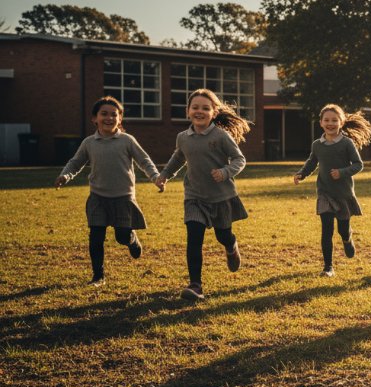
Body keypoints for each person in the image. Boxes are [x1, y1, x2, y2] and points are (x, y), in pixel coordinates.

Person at [156, 89, 251, 301]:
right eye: (195, 107)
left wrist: (225, 172)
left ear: (214, 112)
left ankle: (230, 245)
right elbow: (178, 159)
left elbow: (239, 159)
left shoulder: (220, 135)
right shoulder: (183, 137)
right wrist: (164, 175)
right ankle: (195, 286)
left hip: (221, 197)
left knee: (222, 235)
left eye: (205, 108)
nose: (199, 111)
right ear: (188, 111)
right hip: (194, 197)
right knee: (194, 237)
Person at [55, 96, 161, 285]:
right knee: (96, 237)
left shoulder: (127, 140)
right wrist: (65, 176)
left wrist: (155, 177)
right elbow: (76, 162)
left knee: (121, 236)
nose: (109, 118)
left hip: (123, 197)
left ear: (120, 119)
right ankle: (98, 276)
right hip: (98, 197)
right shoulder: (89, 143)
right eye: (104, 114)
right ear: (94, 119)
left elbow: (144, 161)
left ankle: (131, 239)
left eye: (114, 114)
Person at [294, 104, 371, 277]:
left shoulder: (346, 143)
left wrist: (342, 173)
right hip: (324, 193)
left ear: (341, 122)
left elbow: (358, 165)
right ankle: (328, 267)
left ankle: (347, 239)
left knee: (342, 229)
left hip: (343, 194)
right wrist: (302, 174)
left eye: (334, 120)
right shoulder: (317, 144)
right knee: (326, 230)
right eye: (326, 120)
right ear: (321, 123)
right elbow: (312, 162)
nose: (330, 123)